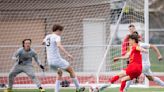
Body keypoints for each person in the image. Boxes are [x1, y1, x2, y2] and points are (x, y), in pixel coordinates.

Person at [43, 24, 85, 92]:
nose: (61, 33)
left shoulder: (47, 36)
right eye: (61, 31)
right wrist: (68, 54)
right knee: (71, 70)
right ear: (58, 30)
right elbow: (59, 45)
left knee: (59, 73)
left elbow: (43, 42)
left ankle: (56, 91)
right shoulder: (57, 37)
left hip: (50, 61)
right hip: (57, 60)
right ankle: (78, 88)